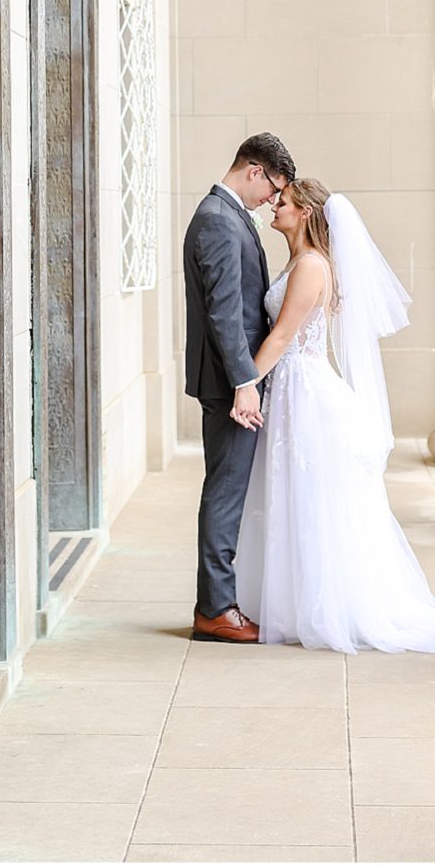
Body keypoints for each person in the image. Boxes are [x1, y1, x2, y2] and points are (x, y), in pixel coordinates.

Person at [233, 177, 435, 654]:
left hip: (305, 392)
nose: (274, 206)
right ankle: (292, 601)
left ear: (305, 213)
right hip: (292, 388)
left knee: (312, 498)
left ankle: (327, 607)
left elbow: (281, 338)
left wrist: (244, 386)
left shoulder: (312, 266)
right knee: (295, 495)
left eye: (284, 201)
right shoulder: (301, 261)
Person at [182, 133, 295, 643]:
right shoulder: (220, 222)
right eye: (272, 187)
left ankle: (221, 600)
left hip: (233, 378)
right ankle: (216, 609)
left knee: (228, 491)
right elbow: (225, 313)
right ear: (253, 169)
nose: (272, 200)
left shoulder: (225, 217)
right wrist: (245, 384)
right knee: (224, 493)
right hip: (231, 385)